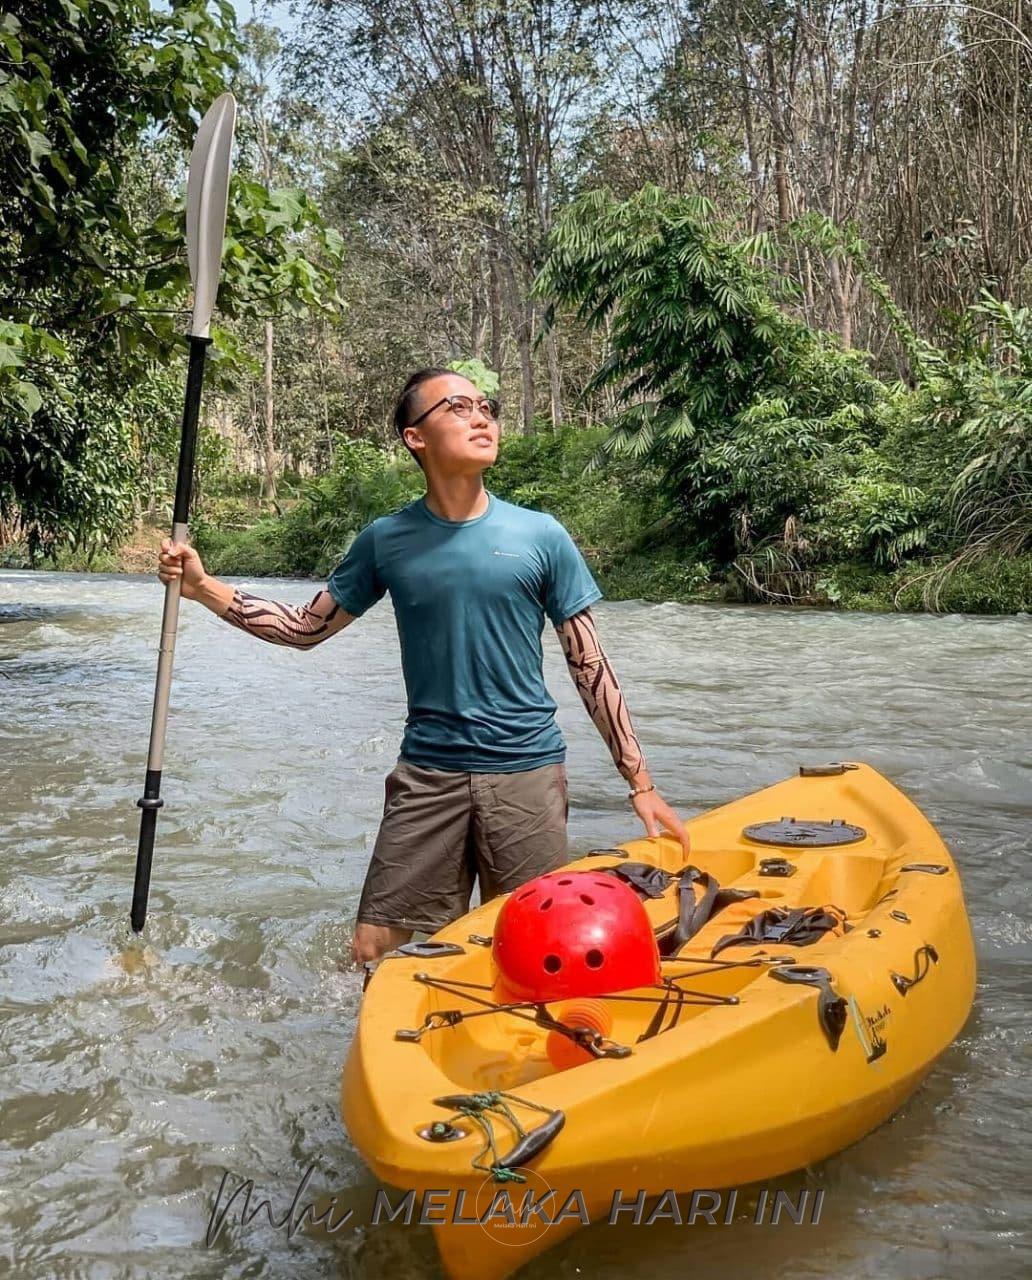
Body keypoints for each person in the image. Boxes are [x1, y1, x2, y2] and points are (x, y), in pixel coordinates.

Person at [158, 368, 690, 965]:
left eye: (486, 406)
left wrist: (638, 782)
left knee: (533, 946)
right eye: (458, 407)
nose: (481, 417)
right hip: (428, 775)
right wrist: (204, 589)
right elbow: (305, 629)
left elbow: (589, 664)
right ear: (416, 437)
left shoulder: (542, 535)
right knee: (373, 947)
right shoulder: (387, 540)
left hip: (527, 775)